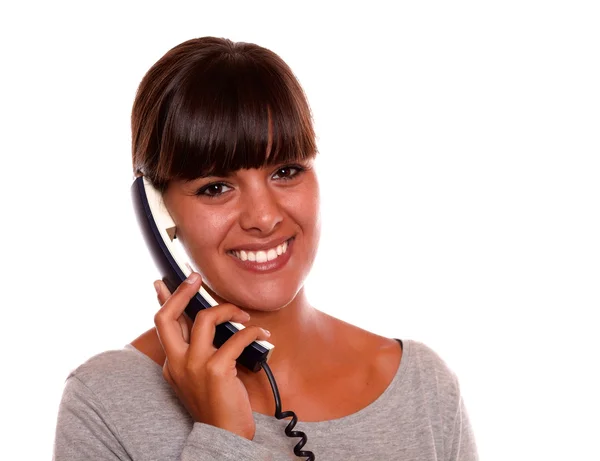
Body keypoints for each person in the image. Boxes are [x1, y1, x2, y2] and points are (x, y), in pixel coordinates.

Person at [53, 36, 478, 460]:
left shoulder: (424, 390)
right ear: (159, 212)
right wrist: (224, 438)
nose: (264, 216)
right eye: (215, 187)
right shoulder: (103, 404)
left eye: (286, 170)